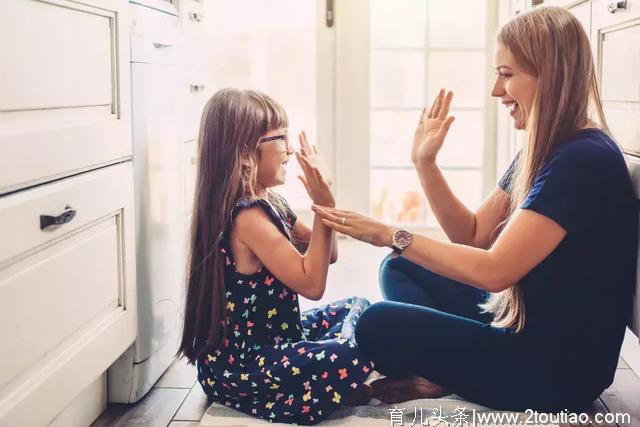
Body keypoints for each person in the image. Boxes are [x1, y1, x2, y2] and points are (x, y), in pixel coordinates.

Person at [312, 6, 638, 412]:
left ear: (549, 74)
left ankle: (446, 371)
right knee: (399, 267)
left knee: (376, 323)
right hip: (522, 324)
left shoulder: (582, 158)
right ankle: (449, 368)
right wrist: (425, 164)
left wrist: (387, 233)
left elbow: (494, 270)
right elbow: (472, 234)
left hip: (555, 373)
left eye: (506, 74)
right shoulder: (552, 146)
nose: (496, 91)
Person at [177, 88, 374, 425]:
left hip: (283, 338)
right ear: (244, 152)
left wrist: (324, 201)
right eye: (281, 137)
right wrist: (323, 203)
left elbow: (328, 256)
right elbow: (312, 285)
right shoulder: (248, 218)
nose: (291, 149)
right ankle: (358, 388)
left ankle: (338, 381)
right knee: (349, 352)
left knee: (363, 310)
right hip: (245, 365)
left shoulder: (273, 204)